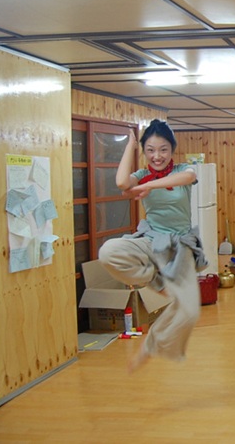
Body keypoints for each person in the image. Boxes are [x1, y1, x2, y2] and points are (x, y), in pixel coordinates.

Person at [99, 119, 205, 373]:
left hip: (179, 247)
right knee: (109, 252)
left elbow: (189, 177)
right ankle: (155, 281)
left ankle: (150, 347)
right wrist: (130, 146)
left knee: (190, 312)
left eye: (163, 149)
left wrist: (148, 185)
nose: (157, 156)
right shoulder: (140, 174)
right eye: (150, 150)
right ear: (144, 151)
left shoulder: (182, 170)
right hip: (151, 239)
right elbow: (122, 182)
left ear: (172, 149)